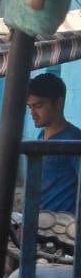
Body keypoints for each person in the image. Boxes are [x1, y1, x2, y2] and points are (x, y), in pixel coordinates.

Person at [26, 72, 81, 212]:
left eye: (38, 106)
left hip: (62, 224)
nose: (32, 113)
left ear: (58, 103)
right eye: (30, 107)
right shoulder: (41, 136)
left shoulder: (74, 142)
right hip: (39, 220)